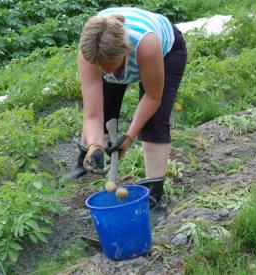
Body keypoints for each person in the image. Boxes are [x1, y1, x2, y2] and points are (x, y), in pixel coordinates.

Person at [73, 7, 187, 208]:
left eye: (108, 65)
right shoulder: (91, 50)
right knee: (104, 114)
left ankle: (154, 197)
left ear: (125, 52)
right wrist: (95, 145)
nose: (102, 71)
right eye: (98, 65)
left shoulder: (147, 45)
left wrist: (129, 136)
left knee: (155, 122)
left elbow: (152, 97)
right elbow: (92, 113)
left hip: (167, 52)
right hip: (113, 52)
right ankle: (85, 159)